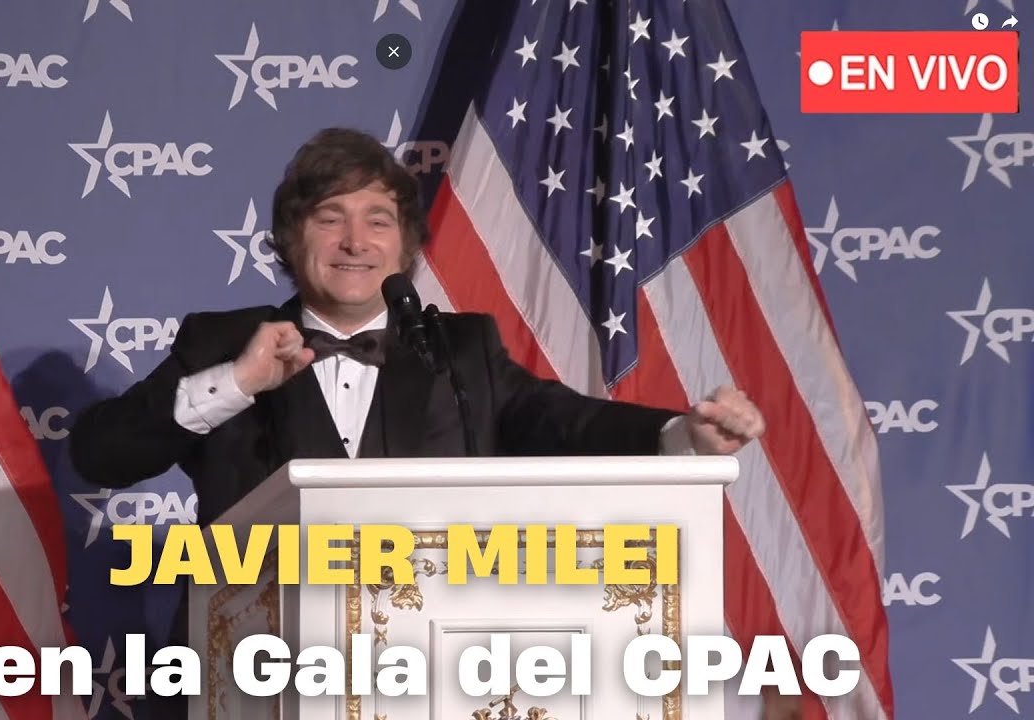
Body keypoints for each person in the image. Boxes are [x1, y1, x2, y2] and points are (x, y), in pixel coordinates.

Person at [67, 127, 767, 716]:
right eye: (330, 218)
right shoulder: (223, 342)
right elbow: (102, 454)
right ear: (290, 237)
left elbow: (565, 421)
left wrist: (680, 436)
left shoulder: (459, 351)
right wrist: (238, 382)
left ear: (405, 246)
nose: (354, 241)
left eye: (378, 220)